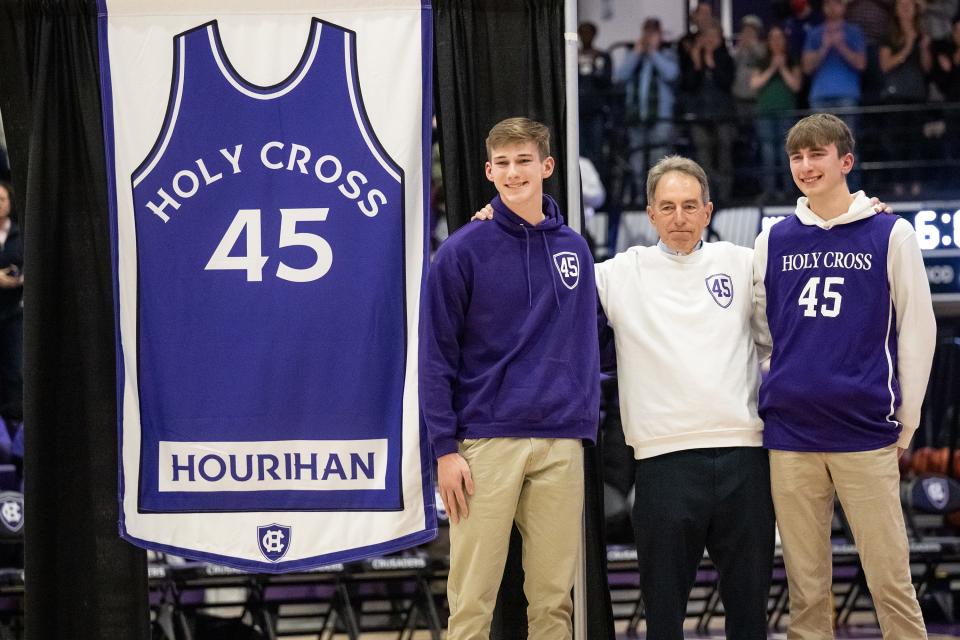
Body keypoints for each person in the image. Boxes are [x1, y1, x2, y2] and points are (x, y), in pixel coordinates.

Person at [753, 113, 936, 639]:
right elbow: (763, 330)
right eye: (797, 157)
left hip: (864, 432)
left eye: (818, 155)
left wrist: (909, 418)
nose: (806, 166)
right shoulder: (774, 239)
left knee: (890, 581)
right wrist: (786, 380)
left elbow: (918, 330)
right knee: (806, 591)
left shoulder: (891, 232)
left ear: (845, 161)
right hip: (791, 436)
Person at [419, 117, 600, 640]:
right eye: (502, 163)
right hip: (484, 444)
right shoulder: (460, 251)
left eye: (524, 161)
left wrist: (582, 417)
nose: (513, 172)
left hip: (560, 442)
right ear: (488, 171)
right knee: (471, 601)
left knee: (552, 603)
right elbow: (435, 356)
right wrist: (444, 449)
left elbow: (591, 338)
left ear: (546, 166)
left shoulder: (575, 250)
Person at [595, 156, 775, 639]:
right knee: (664, 616)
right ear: (650, 215)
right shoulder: (616, 274)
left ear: (709, 211)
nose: (679, 218)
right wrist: (497, 214)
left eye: (690, 206)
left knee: (749, 614)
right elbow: (549, 270)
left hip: (745, 461)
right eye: (668, 207)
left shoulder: (743, 263)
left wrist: (864, 210)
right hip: (663, 464)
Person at [879, 0, 932, 196]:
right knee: (896, 143)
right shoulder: (890, 36)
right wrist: (908, 44)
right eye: (902, 5)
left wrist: (924, 47)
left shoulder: (921, 34)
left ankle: (916, 185)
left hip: (916, 95)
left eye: (910, 5)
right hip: (895, 96)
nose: (907, 8)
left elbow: (927, 68)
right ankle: (899, 187)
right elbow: (885, 65)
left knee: (916, 143)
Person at [680, 20, 737, 203]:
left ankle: (726, 194)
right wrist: (697, 64)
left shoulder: (726, 58)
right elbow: (688, 85)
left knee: (724, 153)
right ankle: (709, 195)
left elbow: (726, 83)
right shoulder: (694, 58)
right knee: (703, 156)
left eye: (714, 37)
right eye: (707, 37)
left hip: (722, 114)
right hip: (700, 115)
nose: (710, 41)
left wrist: (711, 62)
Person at [751, 25, 803, 199]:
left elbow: (795, 85)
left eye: (780, 37)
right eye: (773, 38)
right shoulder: (762, 61)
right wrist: (773, 67)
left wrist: (782, 68)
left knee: (786, 151)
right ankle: (769, 190)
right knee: (768, 152)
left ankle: (789, 190)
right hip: (765, 111)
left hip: (786, 111)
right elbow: (754, 84)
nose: (776, 41)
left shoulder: (792, 60)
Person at [0, 182, 22, 412]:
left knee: (15, 372)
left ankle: (15, 433)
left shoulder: (20, 232)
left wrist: (20, 278)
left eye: (2, 199)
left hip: (14, 311)